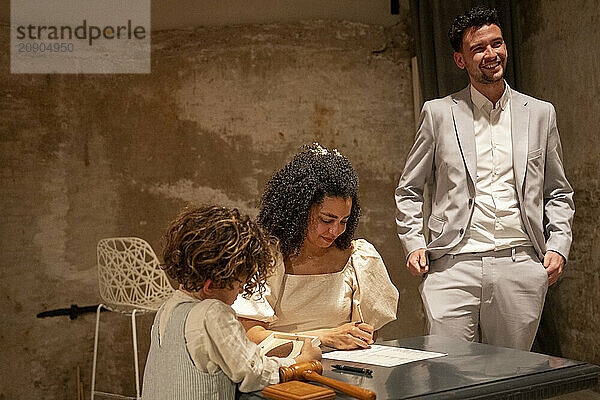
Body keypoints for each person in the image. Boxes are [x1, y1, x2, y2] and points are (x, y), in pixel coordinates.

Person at [395, 6, 574, 351]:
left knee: (510, 375)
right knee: (448, 373)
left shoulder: (540, 114)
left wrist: (558, 246)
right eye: (478, 48)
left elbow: (559, 192)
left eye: (497, 44)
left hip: (520, 263)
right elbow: (409, 189)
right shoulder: (438, 113)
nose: (491, 54)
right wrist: (414, 241)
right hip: (453, 264)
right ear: (461, 60)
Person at [141, 206, 321, 400]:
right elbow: (252, 372)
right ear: (210, 286)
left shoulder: (167, 309)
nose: (242, 290)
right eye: (239, 283)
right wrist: (299, 361)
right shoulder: (213, 312)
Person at [233, 143, 399, 350]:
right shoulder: (269, 259)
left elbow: (366, 332)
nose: (335, 231)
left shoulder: (359, 259)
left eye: (344, 221)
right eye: (327, 220)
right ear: (299, 211)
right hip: (283, 369)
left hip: (344, 366)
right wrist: (323, 337)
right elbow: (251, 336)